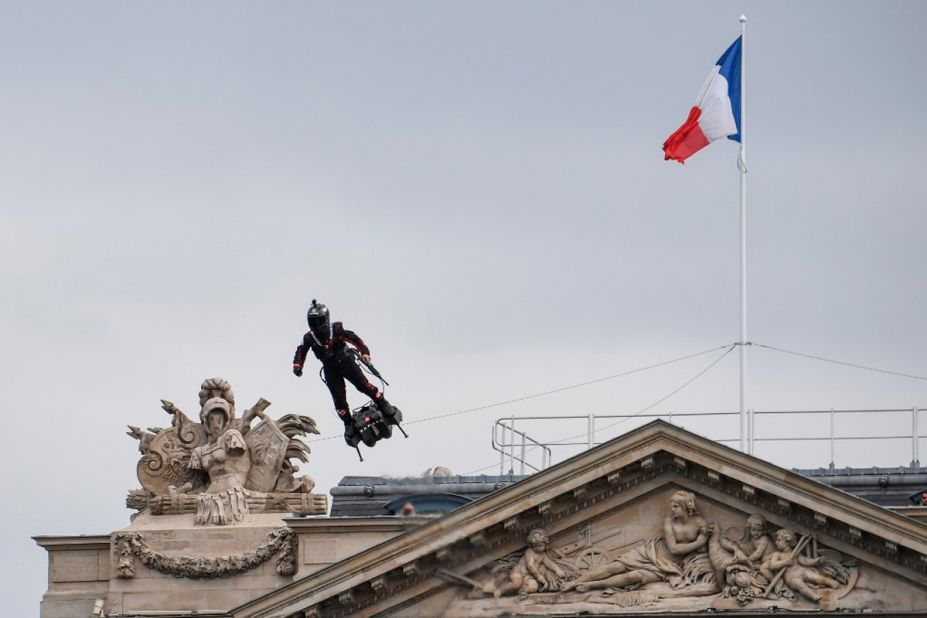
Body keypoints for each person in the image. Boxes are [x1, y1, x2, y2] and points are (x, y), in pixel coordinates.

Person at [562, 490, 716, 594]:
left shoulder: (699, 522)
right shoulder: (669, 521)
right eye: (672, 506)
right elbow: (674, 548)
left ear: (685, 507)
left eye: (676, 506)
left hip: (667, 567)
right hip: (652, 552)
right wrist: (700, 542)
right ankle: (576, 582)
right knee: (616, 566)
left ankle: (591, 585)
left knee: (632, 577)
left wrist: (705, 538)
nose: (672, 509)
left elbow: (707, 539)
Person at [292, 299, 394, 443]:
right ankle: (348, 423)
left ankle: (383, 403)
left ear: (326, 319)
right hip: (329, 369)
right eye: (313, 322)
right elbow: (301, 351)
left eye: (319, 321)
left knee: (363, 386)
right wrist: (298, 366)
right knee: (339, 399)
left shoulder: (336, 329)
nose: (316, 325)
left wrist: (364, 352)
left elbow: (354, 338)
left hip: (346, 362)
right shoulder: (309, 337)